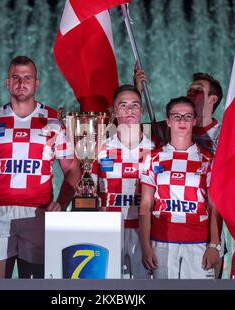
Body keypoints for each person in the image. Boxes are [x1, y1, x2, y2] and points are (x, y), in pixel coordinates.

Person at [0, 56, 80, 278]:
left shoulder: (53, 120)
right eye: (15, 77)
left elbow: (72, 168)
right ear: (7, 82)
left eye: (27, 78)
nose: (21, 82)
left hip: (38, 213)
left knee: (35, 286)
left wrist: (61, 204)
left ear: (36, 84)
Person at [139, 96, 222, 279]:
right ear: (168, 121)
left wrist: (214, 245)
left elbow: (214, 206)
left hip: (199, 242)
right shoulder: (153, 158)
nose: (182, 120)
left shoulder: (208, 159)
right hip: (161, 242)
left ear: (194, 120)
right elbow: (145, 205)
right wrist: (145, 246)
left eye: (187, 116)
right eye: (176, 116)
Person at [92, 84, 155, 279]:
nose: (129, 110)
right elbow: (89, 191)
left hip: (144, 232)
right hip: (109, 230)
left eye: (135, 105)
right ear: (114, 110)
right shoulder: (99, 149)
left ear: (142, 111)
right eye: (123, 105)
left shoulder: (156, 150)